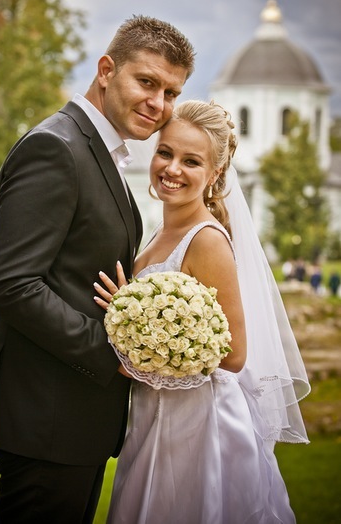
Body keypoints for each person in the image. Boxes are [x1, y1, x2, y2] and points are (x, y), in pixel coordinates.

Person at [0, 15, 196, 524]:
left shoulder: (97, 150)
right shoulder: (56, 147)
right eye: (147, 82)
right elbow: (10, 284)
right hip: (45, 415)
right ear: (106, 70)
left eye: (171, 93)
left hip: (72, 419)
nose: (158, 103)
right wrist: (114, 352)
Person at [95, 99, 310, 524]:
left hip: (196, 424)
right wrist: (128, 316)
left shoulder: (207, 240)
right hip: (155, 413)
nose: (172, 168)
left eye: (191, 161)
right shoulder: (160, 230)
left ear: (215, 173)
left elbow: (234, 355)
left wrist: (137, 353)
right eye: (165, 152)